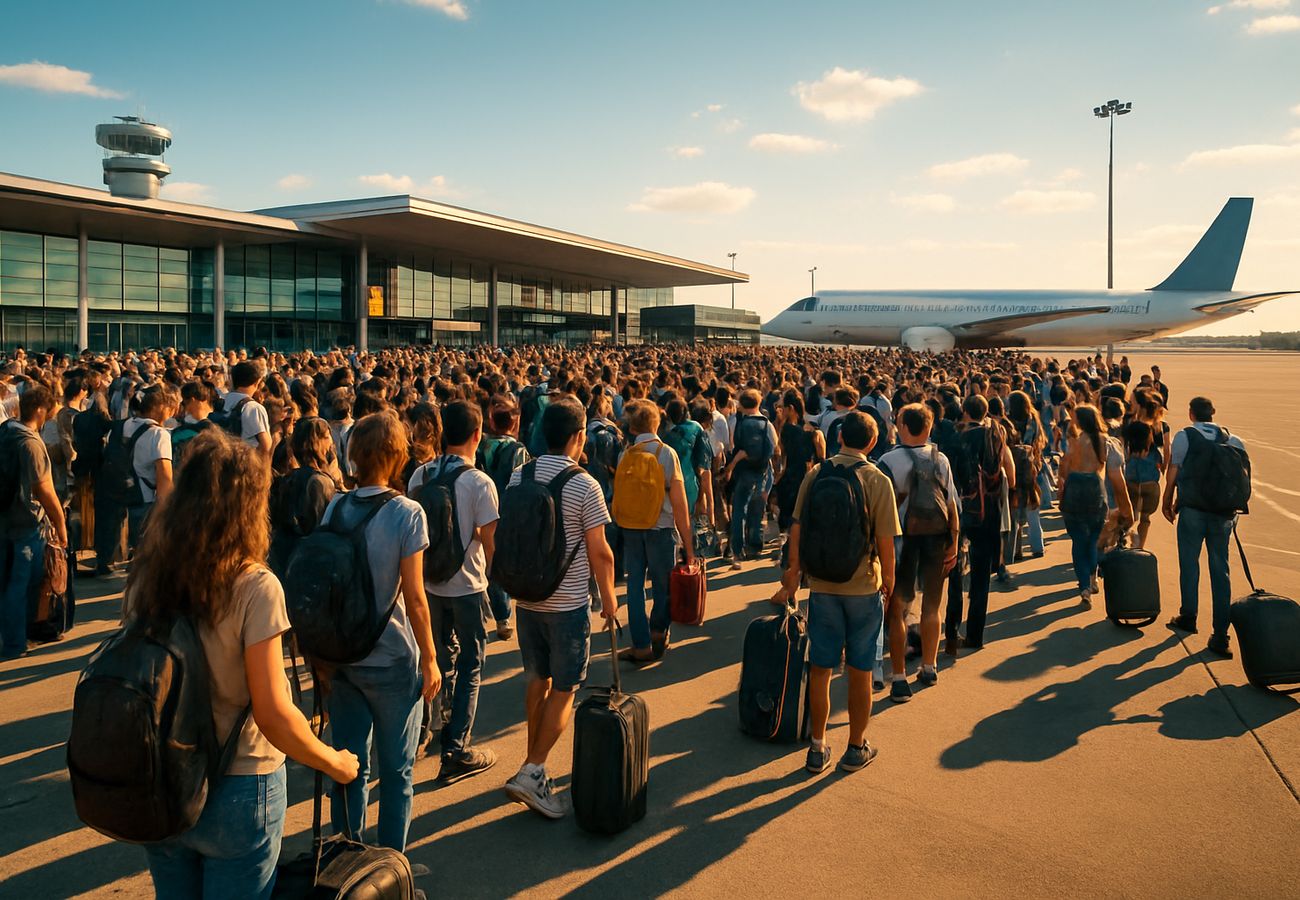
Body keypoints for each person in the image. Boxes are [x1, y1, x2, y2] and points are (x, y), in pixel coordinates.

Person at [129, 429, 360, 899]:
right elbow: (273, 712)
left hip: (164, 775)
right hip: (239, 780)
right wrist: (333, 760)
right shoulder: (254, 586)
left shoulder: (148, 572)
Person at [323, 411, 441, 851]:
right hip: (391, 656)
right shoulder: (407, 513)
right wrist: (430, 659)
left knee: (349, 766)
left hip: (344, 655)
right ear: (397, 458)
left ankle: (348, 859)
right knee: (397, 771)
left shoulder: (335, 506)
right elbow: (414, 598)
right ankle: (392, 867)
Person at [503, 399, 618, 819]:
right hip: (566, 602)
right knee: (566, 688)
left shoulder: (520, 475)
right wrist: (608, 597)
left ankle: (534, 763)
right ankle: (533, 769)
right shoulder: (584, 484)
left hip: (527, 597)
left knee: (537, 679)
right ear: (577, 436)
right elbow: (600, 551)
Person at [773, 411, 898, 773]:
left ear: (840, 435)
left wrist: (793, 572)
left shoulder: (817, 474)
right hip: (862, 584)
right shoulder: (876, 479)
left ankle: (817, 746)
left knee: (821, 667)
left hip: (823, 584)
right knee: (860, 669)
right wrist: (888, 581)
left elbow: (797, 526)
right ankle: (856, 747)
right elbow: (885, 540)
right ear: (872, 443)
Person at [407, 400, 500, 783]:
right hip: (467, 585)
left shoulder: (420, 476)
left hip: (428, 582)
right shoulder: (480, 482)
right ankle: (456, 748)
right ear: (478, 434)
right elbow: (491, 543)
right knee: (471, 664)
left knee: (434, 657)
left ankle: (421, 732)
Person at [878, 404, 960, 700]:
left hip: (901, 542)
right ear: (929, 428)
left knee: (898, 611)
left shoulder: (888, 460)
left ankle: (898, 677)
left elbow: (878, 507)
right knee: (932, 607)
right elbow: (951, 504)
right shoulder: (941, 459)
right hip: (936, 539)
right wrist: (953, 542)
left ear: (901, 426)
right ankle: (929, 666)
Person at [1162, 395, 1248, 657]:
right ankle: (1221, 635)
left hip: (1193, 510)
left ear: (1191, 414)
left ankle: (1188, 616)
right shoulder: (1233, 439)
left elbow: (1173, 470)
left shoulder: (1184, 436)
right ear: (1213, 412)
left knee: (1189, 564)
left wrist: (1168, 500)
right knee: (1220, 570)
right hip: (1222, 514)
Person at [615, 399, 694, 664]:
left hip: (632, 528)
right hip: (661, 529)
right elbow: (680, 503)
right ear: (656, 423)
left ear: (633, 427)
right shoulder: (666, 454)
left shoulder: (625, 455)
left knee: (634, 588)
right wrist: (688, 545)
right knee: (663, 586)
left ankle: (641, 645)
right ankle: (659, 631)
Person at [1, 385, 68, 660]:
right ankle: (16, 645)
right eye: (50, 411)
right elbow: (45, 490)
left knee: (5, 583)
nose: (51, 417)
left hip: (3, 517)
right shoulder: (31, 443)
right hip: (26, 521)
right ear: (40, 410)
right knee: (21, 585)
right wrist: (60, 523)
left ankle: (10, 637)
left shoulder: (5, 431)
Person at [946, 395, 1014, 652]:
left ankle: (952, 633)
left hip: (965, 506)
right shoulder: (997, 433)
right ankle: (975, 634)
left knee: (954, 572)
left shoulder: (961, 437)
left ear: (964, 412)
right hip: (991, 506)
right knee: (981, 574)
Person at [1056, 405, 1131, 607]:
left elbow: (1064, 471)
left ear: (1079, 422)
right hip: (1096, 491)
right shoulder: (1106, 442)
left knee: (1078, 541)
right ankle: (1092, 576)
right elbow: (1117, 478)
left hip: (1075, 492)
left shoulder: (1074, 442)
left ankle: (1084, 587)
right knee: (1093, 540)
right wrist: (1127, 508)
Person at [725, 389, 779, 568]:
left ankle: (737, 548)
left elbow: (735, 446)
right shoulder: (766, 423)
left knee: (740, 508)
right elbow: (775, 446)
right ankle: (755, 544)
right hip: (762, 470)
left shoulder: (738, 422)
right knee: (758, 507)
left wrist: (730, 467)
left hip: (743, 470)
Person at [1122, 419, 1161, 550]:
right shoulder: (1153, 449)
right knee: (1145, 518)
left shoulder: (1127, 449)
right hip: (1150, 486)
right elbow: (1161, 463)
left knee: (1128, 515)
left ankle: (1122, 540)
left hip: (1131, 485)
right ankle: (1139, 547)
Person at [224, 361, 272, 465]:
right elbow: (266, 445)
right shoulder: (254, 408)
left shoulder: (221, 401)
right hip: (245, 466)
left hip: (223, 463)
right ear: (257, 382)